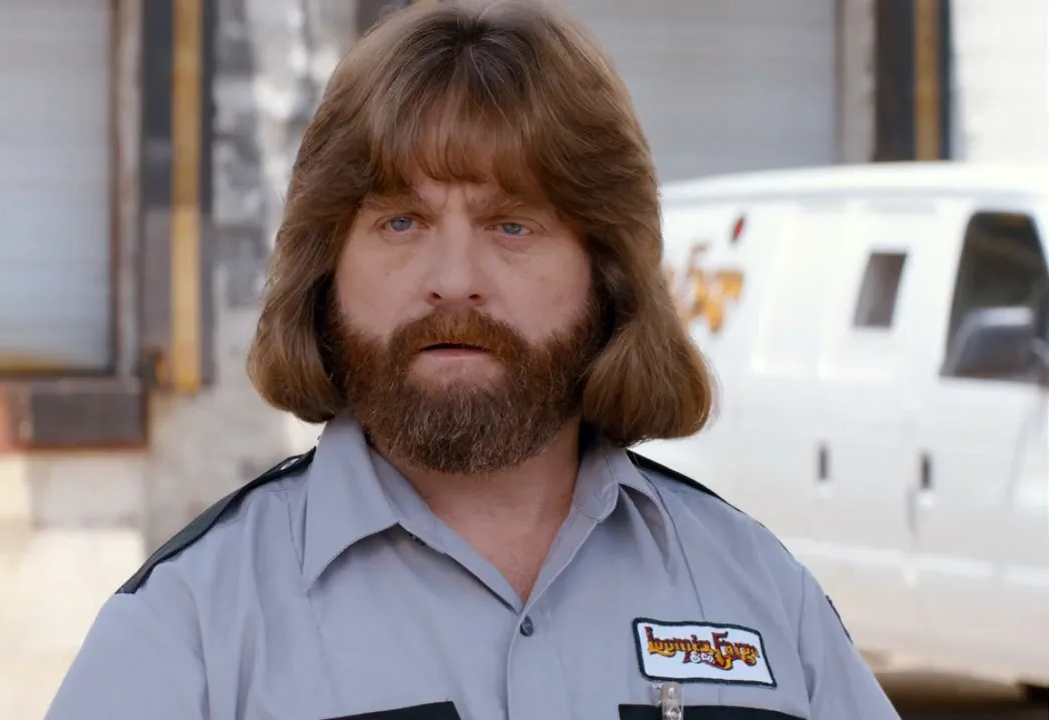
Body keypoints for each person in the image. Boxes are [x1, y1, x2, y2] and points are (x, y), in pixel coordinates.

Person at [44, 1, 902, 718]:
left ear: (607, 272)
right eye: (401, 222)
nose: (454, 280)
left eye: (512, 225)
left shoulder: (763, 595)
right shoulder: (189, 630)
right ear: (326, 268)